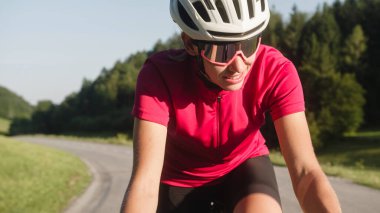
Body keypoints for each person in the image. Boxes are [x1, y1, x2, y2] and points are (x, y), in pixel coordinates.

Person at [121, 0, 342, 212]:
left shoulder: (276, 70)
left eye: (248, 45)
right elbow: (145, 183)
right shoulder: (159, 76)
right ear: (190, 44)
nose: (238, 65)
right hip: (179, 178)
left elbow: (305, 171)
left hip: (244, 166)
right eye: (223, 51)